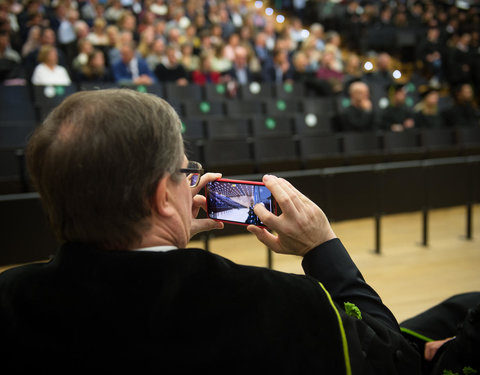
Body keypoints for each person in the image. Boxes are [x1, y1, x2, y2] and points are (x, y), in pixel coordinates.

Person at [0, 89, 421, 374]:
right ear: (163, 197)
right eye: (186, 172)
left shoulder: (10, 297)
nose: (193, 181)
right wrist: (323, 248)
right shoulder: (282, 303)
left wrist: (166, 232)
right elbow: (395, 359)